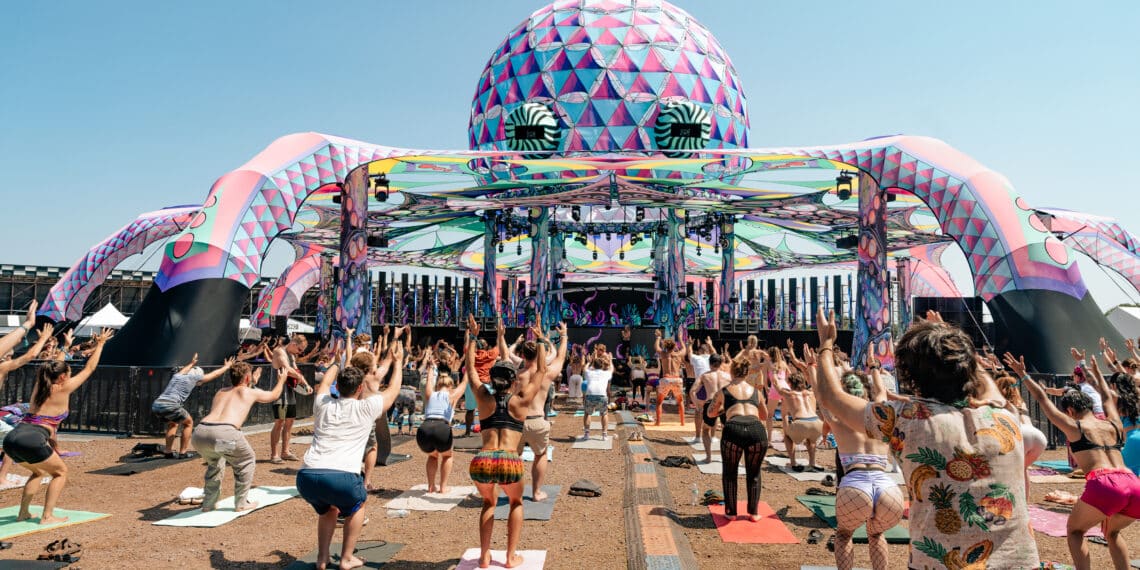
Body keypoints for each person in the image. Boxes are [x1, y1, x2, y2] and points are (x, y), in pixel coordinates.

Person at [813, 308, 1038, 569]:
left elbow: (831, 397)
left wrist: (826, 346)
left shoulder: (906, 420)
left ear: (910, 376)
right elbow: (981, 379)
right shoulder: (1006, 415)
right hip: (1019, 562)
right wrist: (954, 344)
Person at [1014, 350, 1138, 570]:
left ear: (1070, 410)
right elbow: (1108, 397)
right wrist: (1098, 374)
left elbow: (1043, 400)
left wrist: (1023, 376)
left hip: (1106, 484)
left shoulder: (1075, 427)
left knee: (1075, 531)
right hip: (1133, 484)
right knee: (1112, 532)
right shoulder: (1113, 423)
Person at [790, 348, 904, 570]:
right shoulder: (881, 414)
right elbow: (881, 390)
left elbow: (822, 396)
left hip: (855, 484)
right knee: (877, 534)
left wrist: (812, 367)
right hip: (888, 488)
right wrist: (874, 367)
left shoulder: (837, 417)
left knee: (843, 535)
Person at [296, 343, 405, 570]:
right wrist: (398, 361)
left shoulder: (323, 403)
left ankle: (322, 558)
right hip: (341, 476)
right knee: (358, 503)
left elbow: (325, 382)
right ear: (359, 389)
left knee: (328, 510)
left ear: (339, 386)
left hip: (307, 476)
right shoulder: (367, 407)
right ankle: (346, 558)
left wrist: (337, 360)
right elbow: (394, 390)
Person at [2, 328, 111, 525]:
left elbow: (55, 365)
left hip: (12, 438)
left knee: (38, 471)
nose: (69, 375)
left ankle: (23, 513)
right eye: (68, 373)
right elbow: (89, 369)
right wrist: (101, 344)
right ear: (62, 378)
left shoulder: (40, 384)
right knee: (60, 473)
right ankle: (47, 516)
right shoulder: (64, 387)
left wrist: (65, 347)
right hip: (33, 438)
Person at [466, 322, 550, 570]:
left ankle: (484, 557)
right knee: (515, 503)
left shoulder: (482, 396)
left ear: (492, 378)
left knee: (488, 504)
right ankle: (510, 558)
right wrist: (542, 341)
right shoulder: (522, 400)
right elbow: (541, 370)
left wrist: (473, 336)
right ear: (513, 381)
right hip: (509, 459)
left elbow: (470, 368)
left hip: (483, 458)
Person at [192, 361, 284, 512]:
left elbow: (240, 393)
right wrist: (282, 379)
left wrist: (252, 382)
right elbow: (273, 395)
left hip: (200, 433)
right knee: (246, 460)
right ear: (247, 378)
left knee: (216, 462)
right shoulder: (249, 392)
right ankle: (241, 503)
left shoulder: (221, 391)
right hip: (224, 434)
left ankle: (208, 503)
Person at [706, 357, 768, 520]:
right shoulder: (757, 392)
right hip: (756, 430)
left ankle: (731, 512)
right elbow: (764, 415)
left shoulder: (723, 391)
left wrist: (724, 410)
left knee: (730, 472)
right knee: (754, 473)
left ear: (732, 371)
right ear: (747, 373)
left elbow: (710, 413)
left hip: (733, 429)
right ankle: (753, 513)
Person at [517, 321, 567, 502]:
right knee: (540, 455)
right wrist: (563, 336)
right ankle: (536, 492)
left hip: (517, 421)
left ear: (522, 355)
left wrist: (501, 337)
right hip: (538, 419)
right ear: (541, 354)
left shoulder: (518, 374)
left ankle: (514, 492)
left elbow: (505, 354)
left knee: (515, 458)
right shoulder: (546, 374)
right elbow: (560, 358)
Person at [151, 354, 235, 459]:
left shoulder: (178, 375)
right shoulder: (194, 378)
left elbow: (185, 370)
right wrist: (226, 367)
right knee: (188, 423)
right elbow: (215, 374)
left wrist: (192, 363)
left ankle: (168, 452)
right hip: (171, 405)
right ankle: (183, 453)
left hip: (157, 404)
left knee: (173, 424)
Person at [417, 347, 469, 494]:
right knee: (447, 456)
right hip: (441, 427)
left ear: (438, 386)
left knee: (432, 456)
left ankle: (431, 486)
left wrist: (431, 367)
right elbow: (464, 383)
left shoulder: (430, 394)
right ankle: (443, 487)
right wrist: (469, 368)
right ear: (450, 385)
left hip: (424, 428)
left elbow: (429, 381)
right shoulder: (453, 395)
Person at [993, 372, 1047, 496]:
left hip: (1020, 434)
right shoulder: (1020, 402)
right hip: (1038, 436)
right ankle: (1025, 502)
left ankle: (1012, 500)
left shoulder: (1000, 402)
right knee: (1022, 469)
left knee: (1009, 470)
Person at [268, 334, 312, 464]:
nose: (300, 353)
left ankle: (285, 452)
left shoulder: (291, 355)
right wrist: (304, 381)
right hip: (279, 392)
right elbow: (288, 370)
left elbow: (296, 371)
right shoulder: (279, 351)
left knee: (290, 421)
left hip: (289, 392)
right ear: (293, 344)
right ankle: (274, 454)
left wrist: (304, 385)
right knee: (279, 422)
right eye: (300, 350)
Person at [777, 371, 824, 472]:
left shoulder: (789, 394)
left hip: (801, 422)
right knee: (811, 440)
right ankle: (812, 462)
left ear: (790, 383)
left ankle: (793, 462)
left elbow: (777, 386)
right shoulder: (811, 393)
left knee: (787, 436)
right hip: (817, 423)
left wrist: (774, 374)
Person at [690, 353, 730, 463]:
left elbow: (692, 391)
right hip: (725, 404)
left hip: (711, 403)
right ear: (721, 363)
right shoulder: (727, 376)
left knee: (706, 430)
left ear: (709, 363)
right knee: (727, 431)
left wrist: (698, 404)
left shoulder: (704, 376)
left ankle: (708, 457)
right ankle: (728, 457)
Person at [653, 330, 685, 426]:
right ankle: (682, 422)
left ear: (666, 346)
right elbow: (684, 348)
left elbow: (656, 347)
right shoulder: (678, 354)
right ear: (674, 346)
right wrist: (680, 337)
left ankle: (658, 422)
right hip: (676, 379)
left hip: (666, 379)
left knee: (659, 402)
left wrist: (658, 338)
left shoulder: (663, 354)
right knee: (680, 401)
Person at [582, 349, 614, 440]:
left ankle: (587, 434)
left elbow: (585, 368)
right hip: (601, 396)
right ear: (602, 366)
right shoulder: (606, 373)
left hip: (590, 395)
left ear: (594, 366)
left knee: (587, 413)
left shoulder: (589, 372)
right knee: (604, 414)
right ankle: (604, 435)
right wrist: (610, 360)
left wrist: (589, 362)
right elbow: (611, 369)